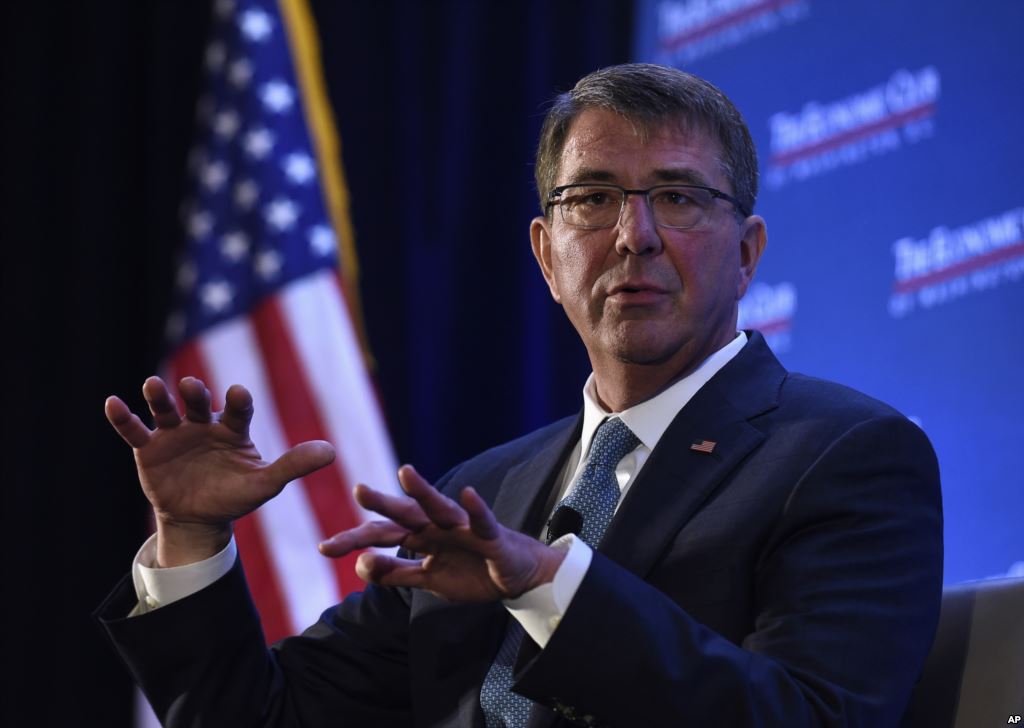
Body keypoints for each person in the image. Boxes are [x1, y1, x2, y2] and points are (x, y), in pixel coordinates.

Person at [97, 63, 942, 727]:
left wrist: (549, 584)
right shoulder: (490, 488)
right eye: (594, 198)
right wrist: (193, 537)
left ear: (749, 253)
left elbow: (812, 717)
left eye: (678, 197)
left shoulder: (845, 455)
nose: (634, 236)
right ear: (547, 254)